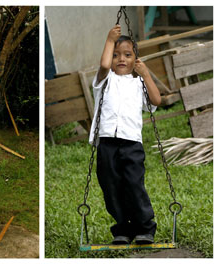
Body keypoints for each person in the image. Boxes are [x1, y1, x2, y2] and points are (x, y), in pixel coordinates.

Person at [89, 24, 161, 245]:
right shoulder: (104, 81)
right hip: (107, 142)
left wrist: (146, 74)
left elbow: (156, 101)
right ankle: (122, 229)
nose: (121, 59)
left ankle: (145, 228)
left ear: (136, 60)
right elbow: (103, 64)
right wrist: (110, 39)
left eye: (128, 55)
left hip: (131, 143)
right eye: (116, 55)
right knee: (111, 186)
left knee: (133, 184)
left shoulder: (138, 84)